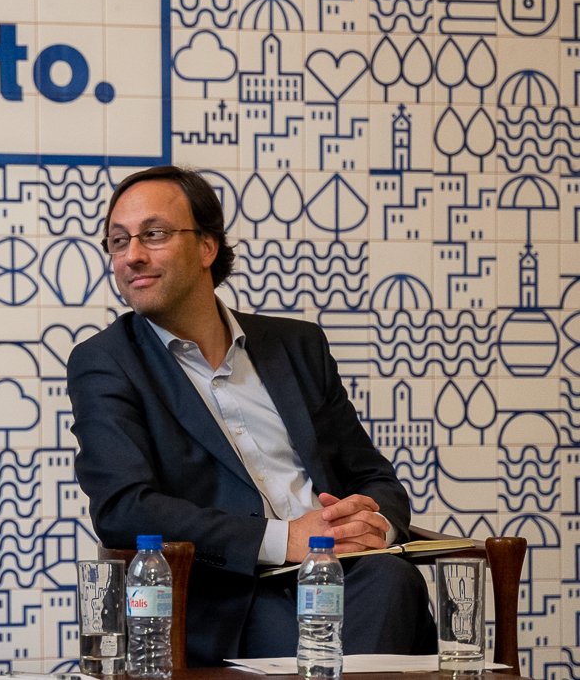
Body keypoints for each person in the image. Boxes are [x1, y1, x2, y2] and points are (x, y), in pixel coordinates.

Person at [67, 166, 436, 666]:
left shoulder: (297, 346)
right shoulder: (106, 362)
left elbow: (373, 477)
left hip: (348, 572)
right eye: (118, 241)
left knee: (392, 579)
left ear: (207, 247)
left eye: (153, 234)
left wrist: (372, 527)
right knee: (357, 615)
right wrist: (285, 540)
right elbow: (124, 508)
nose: (131, 255)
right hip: (232, 595)